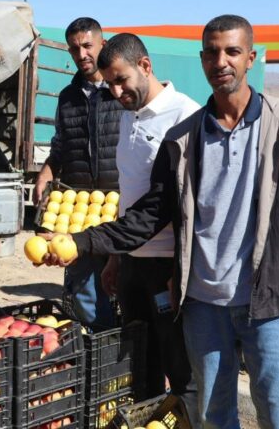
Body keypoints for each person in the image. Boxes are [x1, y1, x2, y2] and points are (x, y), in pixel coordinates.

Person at [42, 15, 279, 428]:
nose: (222, 61)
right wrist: (84, 242)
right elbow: (150, 214)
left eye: (233, 51)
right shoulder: (184, 138)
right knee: (213, 413)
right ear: (202, 60)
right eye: (213, 52)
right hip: (203, 303)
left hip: (268, 303)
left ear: (250, 58)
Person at [96, 33, 201, 426]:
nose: (117, 90)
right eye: (109, 83)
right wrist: (114, 259)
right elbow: (128, 196)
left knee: (181, 367)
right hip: (133, 265)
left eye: (122, 79)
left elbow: (193, 208)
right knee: (141, 365)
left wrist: (180, 270)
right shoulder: (127, 117)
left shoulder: (186, 115)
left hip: (168, 266)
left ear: (145, 66)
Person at [32, 17, 125, 328]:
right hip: (76, 213)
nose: (82, 54)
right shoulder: (68, 97)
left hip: (120, 208)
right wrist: (45, 173)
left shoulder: (122, 93)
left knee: (126, 291)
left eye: (87, 46)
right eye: (75, 49)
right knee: (86, 296)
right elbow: (60, 147)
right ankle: (99, 358)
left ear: (103, 44)